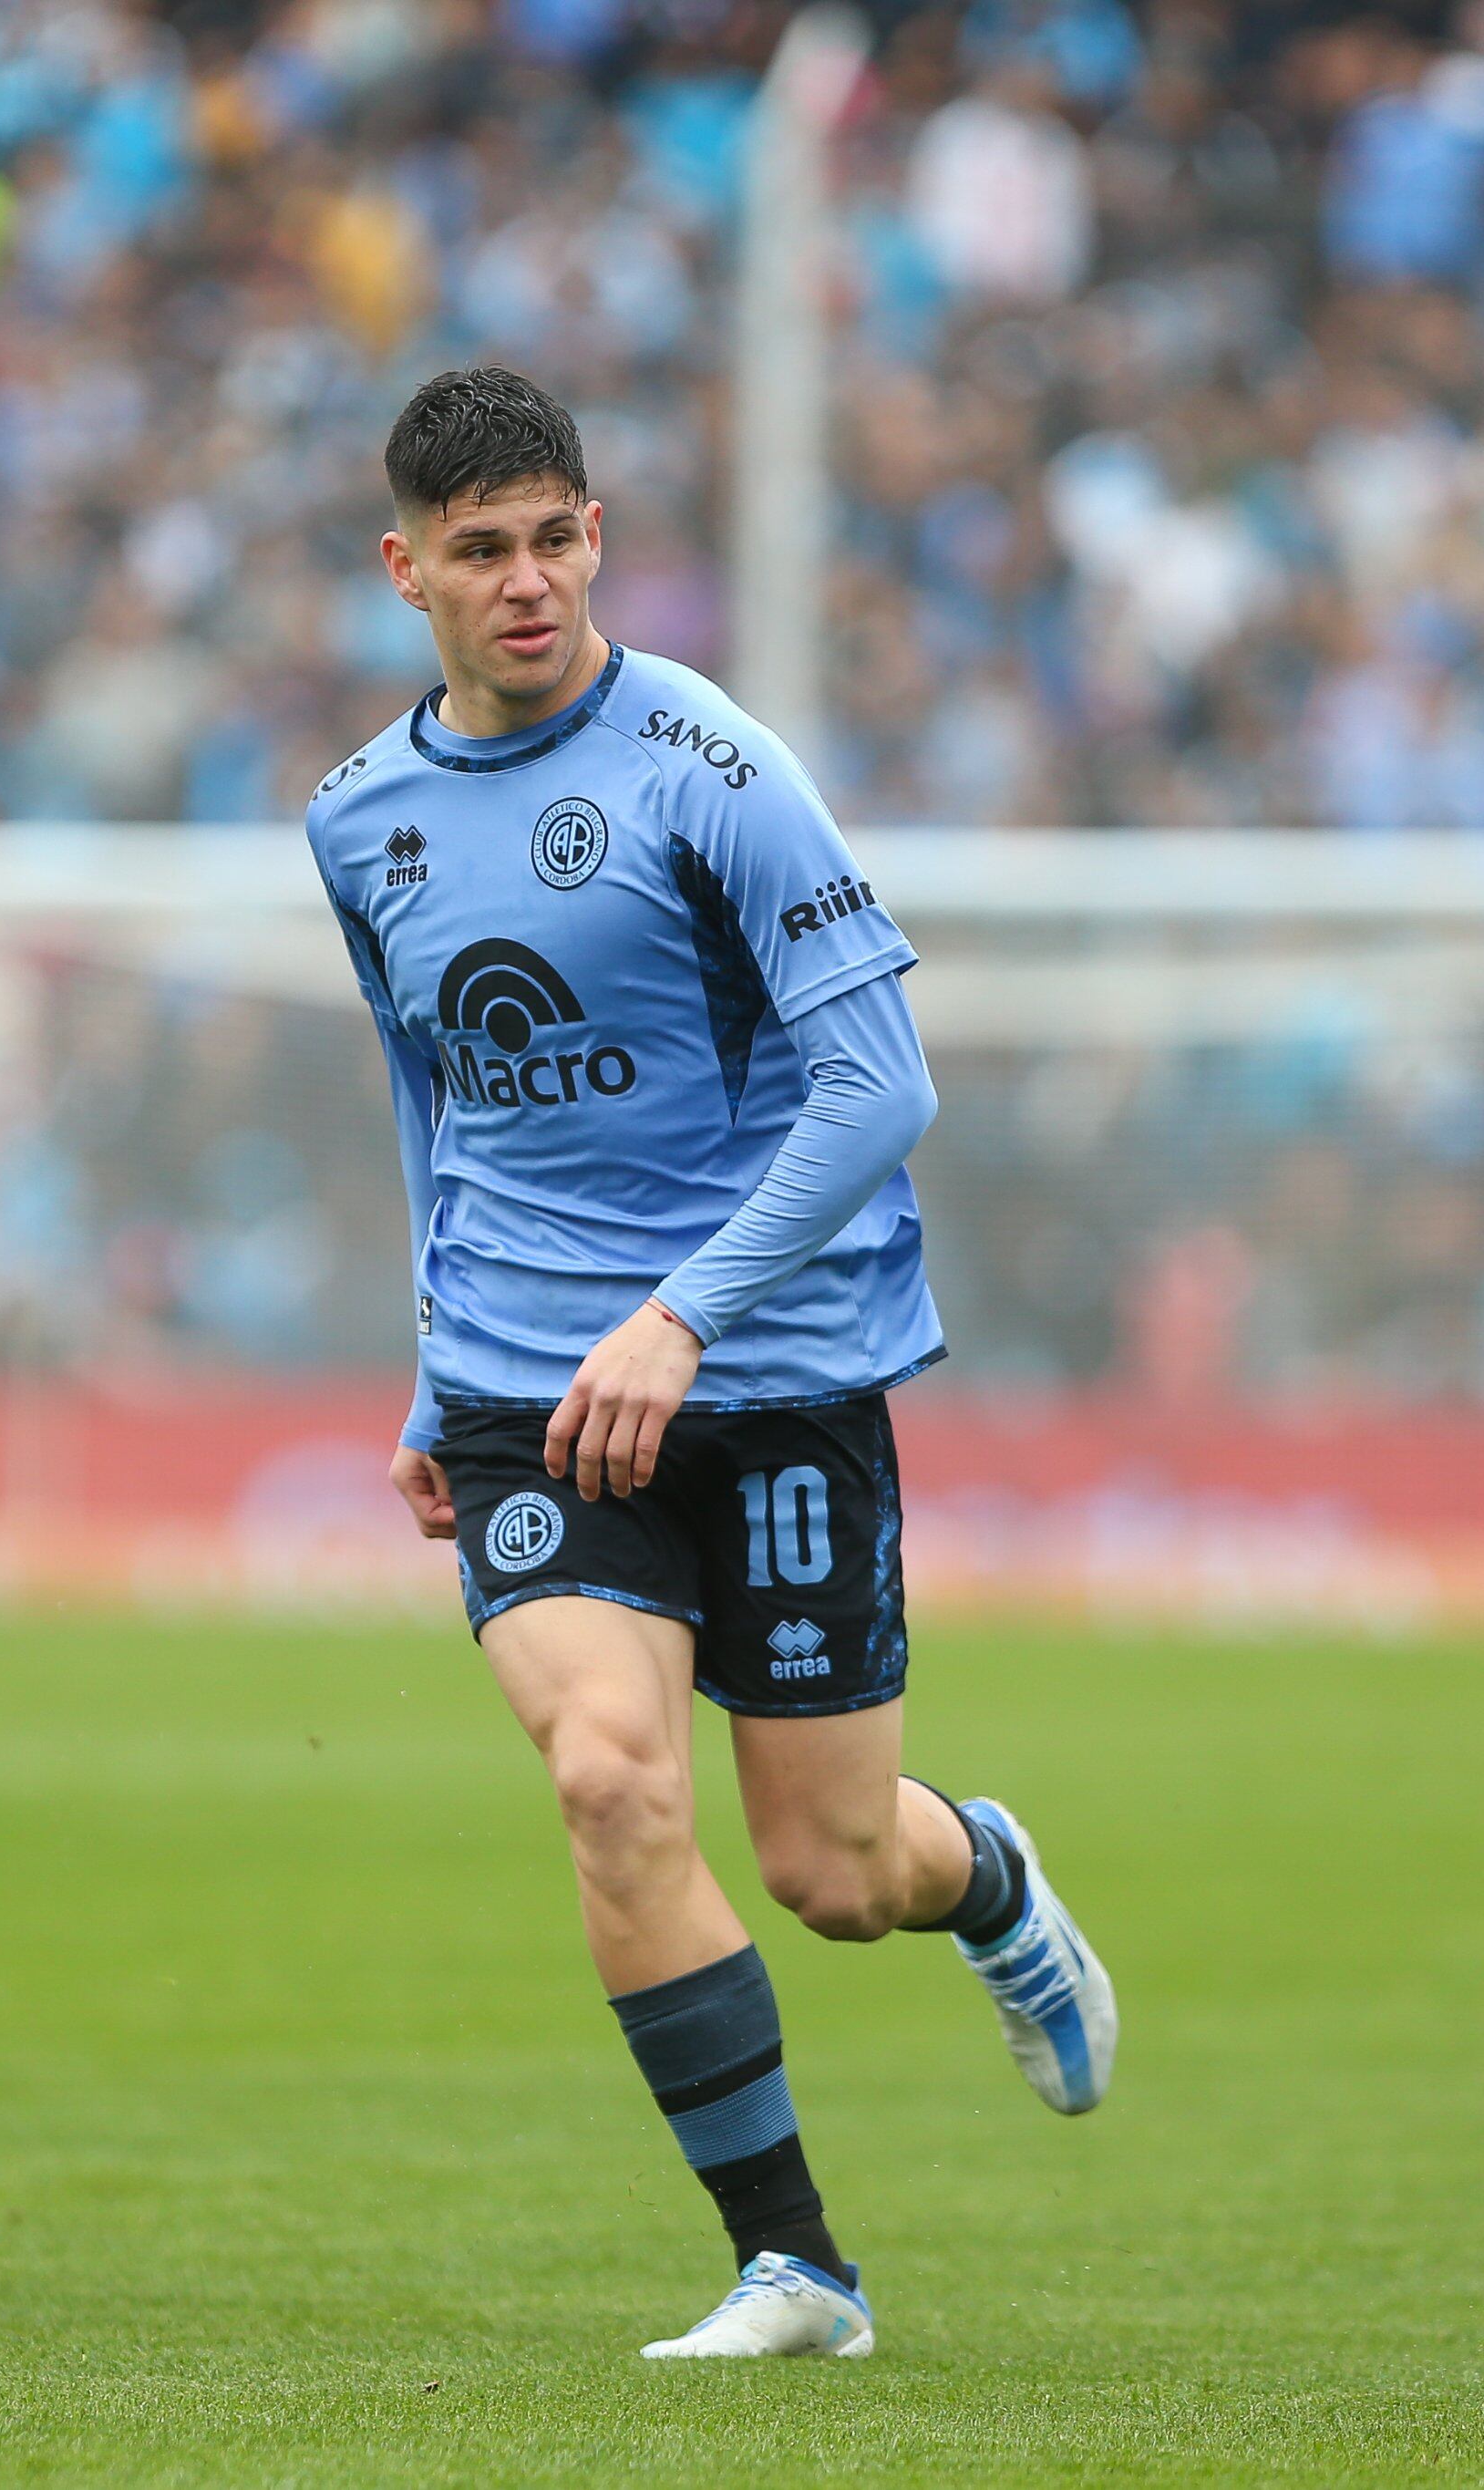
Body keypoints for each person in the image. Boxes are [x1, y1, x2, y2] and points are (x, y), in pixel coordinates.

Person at [305, 366, 1115, 2361]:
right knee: (603, 1774)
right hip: (524, 1383)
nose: (523, 581)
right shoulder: (356, 820)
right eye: (476, 552)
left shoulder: (710, 766)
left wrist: (681, 1311)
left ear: (597, 535)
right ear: (403, 569)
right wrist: (432, 1375)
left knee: (837, 1869)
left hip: (768, 1366)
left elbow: (877, 1084)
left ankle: (985, 1875)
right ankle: (794, 2266)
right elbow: (438, 1106)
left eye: (552, 537)